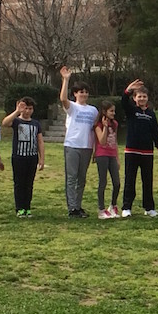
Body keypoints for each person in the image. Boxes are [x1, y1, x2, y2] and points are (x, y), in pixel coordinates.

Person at [121, 79, 158, 217]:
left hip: (147, 152)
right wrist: (128, 90)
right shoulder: (131, 111)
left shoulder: (151, 114)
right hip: (132, 151)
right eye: (139, 96)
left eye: (144, 96)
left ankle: (149, 208)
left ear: (147, 98)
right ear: (134, 98)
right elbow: (123, 101)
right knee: (130, 180)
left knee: (147, 180)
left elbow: (155, 132)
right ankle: (126, 207)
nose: (142, 99)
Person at [59, 66, 98, 218]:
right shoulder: (73, 107)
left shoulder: (93, 110)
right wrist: (66, 79)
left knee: (81, 178)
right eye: (81, 92)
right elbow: (63, 99)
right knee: (72, 177)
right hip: (72, 146)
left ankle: (78, 206)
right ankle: (72, 209)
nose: (84, 94)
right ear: (75, 94)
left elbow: (95, 130)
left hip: (86, 147)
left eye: (86, 92)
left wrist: (95, 149)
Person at [2, 97, 45, 218]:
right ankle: (19, 208)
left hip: (32, 157)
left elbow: (40, 141)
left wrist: (42, 158)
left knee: (29, 184)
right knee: (19, 183)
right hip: (18, 157)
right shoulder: (16, 121)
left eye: (30, 108)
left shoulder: (36, 124)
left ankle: (27, 207)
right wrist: (16, 111)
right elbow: (5, 123)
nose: (27, 111)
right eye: (25, 108)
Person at [93, 100, 120, 219]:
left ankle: (113, 205)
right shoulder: (98, 125)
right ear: (104, 112)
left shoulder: (115, 124)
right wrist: (104, 126)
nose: (113, 113)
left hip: (112, 155)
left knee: (117, 183)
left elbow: (115, 141)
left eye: (114, 111)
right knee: (103, 182)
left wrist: (117, 158)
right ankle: (101, 209)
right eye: (111, 111)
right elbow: (102, 141)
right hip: (102, 155)